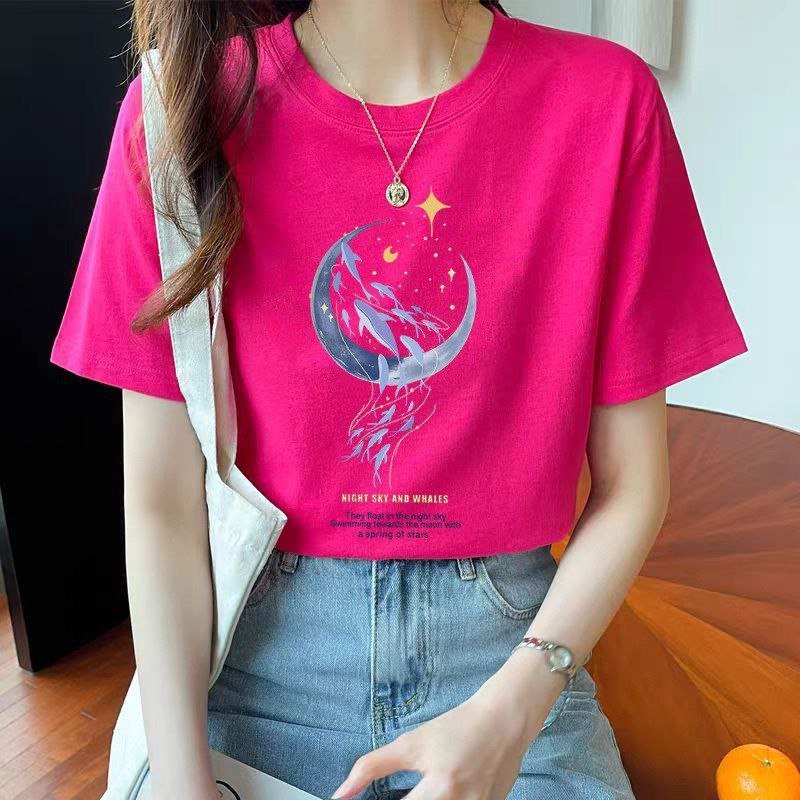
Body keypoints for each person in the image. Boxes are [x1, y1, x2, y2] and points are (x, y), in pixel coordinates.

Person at [49, 1, 748, 798]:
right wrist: (184, 786)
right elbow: (162, 505)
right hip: (252, 675)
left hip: (506, 667)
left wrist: (513, 710)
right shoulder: (178, 112)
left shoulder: (604, 103)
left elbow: (633, 486)